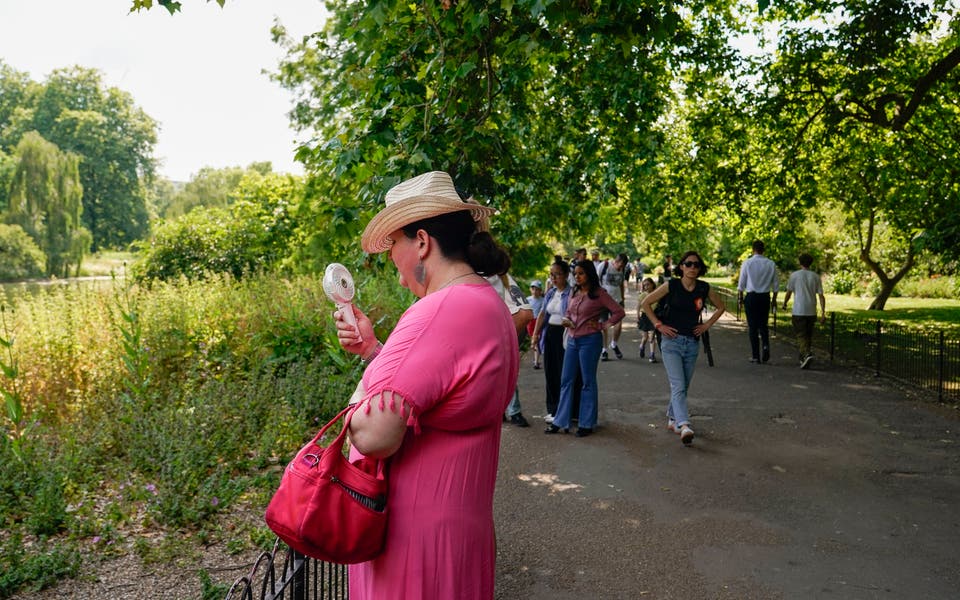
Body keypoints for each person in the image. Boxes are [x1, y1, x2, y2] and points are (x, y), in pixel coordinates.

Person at [333, 171, 519, 599]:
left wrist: (363, 385)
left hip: (413, 550)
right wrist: (374, 351)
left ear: (421, 241)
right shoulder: (486, 305)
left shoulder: (441, 309)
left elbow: (373, 433)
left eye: (393, 244)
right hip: (456, 538)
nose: (390, 259)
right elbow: (438, 396)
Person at [640, 251, 725, 446]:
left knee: (683, 385)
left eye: (696, 264)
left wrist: (706, 325)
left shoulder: (704, 288)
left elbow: (720, 307)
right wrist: (658, 325)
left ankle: (672, 419)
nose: (692, 267)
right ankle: (684, 424)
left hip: (692, 343)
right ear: (681, 267)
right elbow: (646, 303)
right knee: (678, 385)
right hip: (671, 342)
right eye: (688, 264)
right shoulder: (672, 285)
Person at [545, 259, 625, 438]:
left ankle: (586, 423)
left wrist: (603, 325)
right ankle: (560, 420)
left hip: (590, 341)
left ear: (589, 274)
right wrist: (566, 319)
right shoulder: (574, 291)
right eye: (576, 274)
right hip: (572, 340)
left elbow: (619, 312)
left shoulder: (599, 293)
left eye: (581, 273)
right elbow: (568, 312)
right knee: (566, 380)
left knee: (587, 382)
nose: (577, 277)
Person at [531, 259, 573, 423]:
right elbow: (542, 314)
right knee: (550, 371)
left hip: (565, 335)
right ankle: (553, 409)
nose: (554, 278)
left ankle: (565, 411)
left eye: (557, 275)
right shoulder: (550, 293)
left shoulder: (572, 293)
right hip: (550, 333)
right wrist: (535, 335)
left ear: (566, 275)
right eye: (551, 275)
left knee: (564, 373)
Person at [782, 253, 826, 369]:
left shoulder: (795, 275)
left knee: (801, 335)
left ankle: (806, 354)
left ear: (800, 262)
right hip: (811, 310)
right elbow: (821, 296)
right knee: (808, 335)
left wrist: (785, 303)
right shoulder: (816, 276)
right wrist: (823, 312)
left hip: (799, 309)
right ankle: (803, 359)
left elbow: (789, 292)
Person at [738, 240, 779, 363]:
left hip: (751, 296)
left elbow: (741, 284)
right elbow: (776, 285)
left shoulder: (747, 263)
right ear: (763, 250)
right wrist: (774, 300)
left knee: (752, 327)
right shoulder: (771, 264)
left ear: (753, 249)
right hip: (764, 297)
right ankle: (765, 347)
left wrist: (740, 298)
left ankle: (755, 355)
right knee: (763, 325)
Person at [599, 253, 628, 360]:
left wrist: (623, 298)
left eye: (622, 267)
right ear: (616, 261)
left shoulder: (622, 269)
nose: (620, 268)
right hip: (603, 301)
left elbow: (621, 284)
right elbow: (595, 281)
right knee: (603, 326)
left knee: (619, 324)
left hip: (617, 300)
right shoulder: (604, 266)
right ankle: (604, 350)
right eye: (620, 266)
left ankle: (614, 344)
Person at [636, 277, 658, 363]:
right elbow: (638, 306)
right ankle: (642, 346)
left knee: (652, 337)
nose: (646, 287)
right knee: (645, 337)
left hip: (653, 316)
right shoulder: (642, 295)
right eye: (644, 285)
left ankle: (652, 355)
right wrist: (637, 315)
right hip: (644, 316)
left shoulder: (656, 294)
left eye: (648, 284)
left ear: (652, 284)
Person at [527, 279, 545, 369]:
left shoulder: (542, 300)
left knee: (537, 340)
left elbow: (543, 313)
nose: (535, 291)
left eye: (537, 289)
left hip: (538, 321)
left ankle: (536, 361)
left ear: (540, 291)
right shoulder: (528, 300)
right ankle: (536, 359)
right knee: (534, 339)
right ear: (530, 289)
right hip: (530, 321)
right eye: (533, 289)